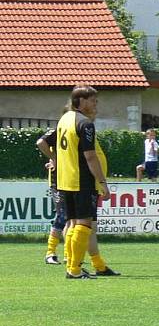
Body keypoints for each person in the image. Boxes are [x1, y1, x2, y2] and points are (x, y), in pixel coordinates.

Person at [56, 85, 111, 279]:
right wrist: (102, 182)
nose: (96, 104)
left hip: (65, 180)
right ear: (83, 101)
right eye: (93, 101)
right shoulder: (85, 123)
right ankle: (74, 269)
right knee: (84, 224)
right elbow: (90, 156)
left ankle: (72, 266)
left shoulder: (64, 119)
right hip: (81, 180)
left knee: (72, 223)